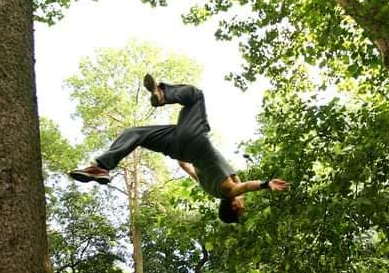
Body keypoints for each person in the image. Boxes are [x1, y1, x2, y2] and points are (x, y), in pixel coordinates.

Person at [68, 74, 288, 223]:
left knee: (196, 96)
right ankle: (100, 167)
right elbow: (187, 168)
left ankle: (164, 95)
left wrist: (267, 184)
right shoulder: (209, 189)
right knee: (135, 133)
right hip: (181, 149)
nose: (243, 203)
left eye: (241, 206)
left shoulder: (229, 191)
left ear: (232, 206)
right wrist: (182, 152)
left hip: (192, 142)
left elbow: (246, 186)